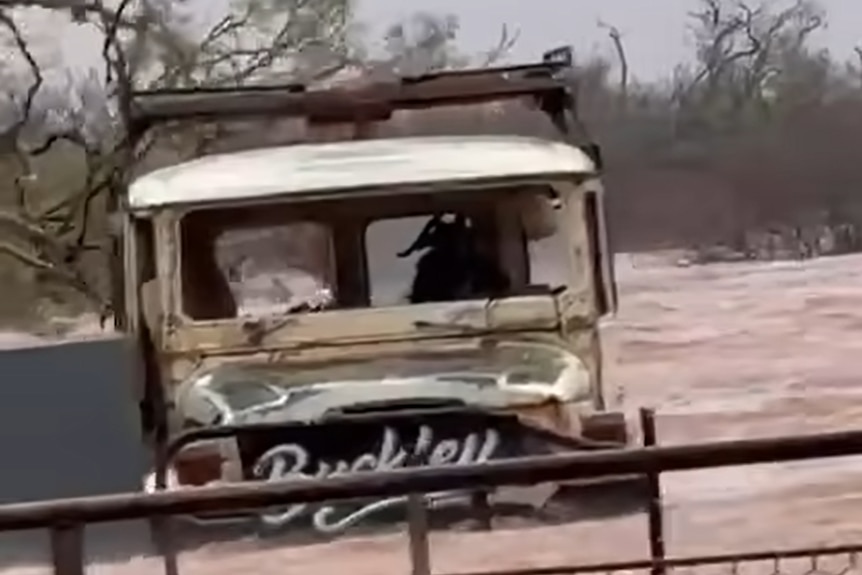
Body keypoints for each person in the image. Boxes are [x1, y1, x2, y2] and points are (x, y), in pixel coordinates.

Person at [399, 213, 509, 304]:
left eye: (462, 237)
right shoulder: (430, 265)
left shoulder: (479, 265)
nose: (460, 242)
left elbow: (500, 287)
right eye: (452, 238)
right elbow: (420, 299)